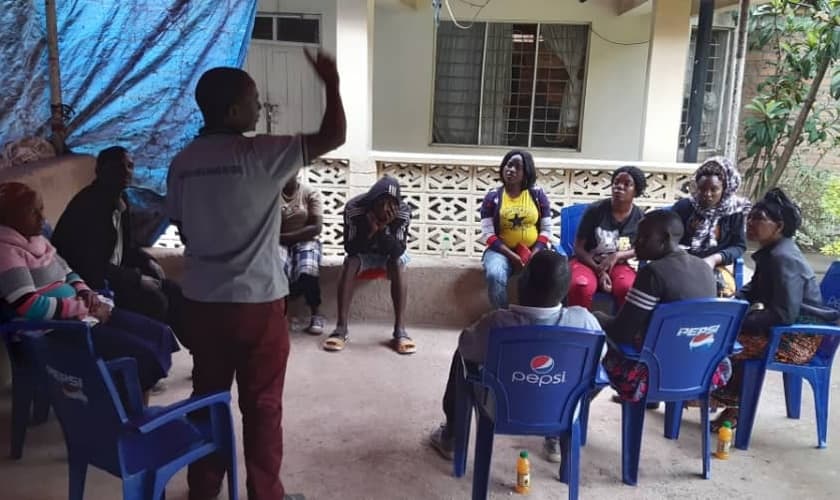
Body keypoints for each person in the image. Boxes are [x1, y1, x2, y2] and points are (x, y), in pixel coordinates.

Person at [166, 49, 345, 500]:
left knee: (207, 398)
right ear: (231, 112)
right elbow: (334, 134)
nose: (259, 109)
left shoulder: (182, 162)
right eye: (254, 101)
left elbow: (183, 226)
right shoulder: (264, 153)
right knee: (263, 405)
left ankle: (204, 489)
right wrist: (331, 83)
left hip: (202, 303)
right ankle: (266, 494)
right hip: (257, 303)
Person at [0, 182, 177, 395]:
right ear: (10, 218)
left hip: (80, 317)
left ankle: (129, 393)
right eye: (32, 212)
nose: (42, 218)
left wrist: (85, 292)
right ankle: (125, 408)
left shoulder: (38, 241)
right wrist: (82, 307)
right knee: (140, 352)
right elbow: (29, 306)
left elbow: (67, 271)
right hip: (52, 333)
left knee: (158, 334)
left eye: (41, 209)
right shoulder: (6, 253)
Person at [428, 251, 601, 464]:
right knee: (594, 373)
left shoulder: (497, 324)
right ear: (565, 291)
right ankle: (556, 434)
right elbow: (599, 361)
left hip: (501, 409)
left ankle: (452, 437)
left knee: (461, 358)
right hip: (560, 409)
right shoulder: (584, 322)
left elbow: (466, 346)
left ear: (521, 283)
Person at [710, 189, 839, 430]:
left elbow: (784, 315)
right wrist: (732, 303)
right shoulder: (771, 252)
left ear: (778, 226)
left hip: (798, 341)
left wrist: (742, 319)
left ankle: (733, 407)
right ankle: (722, 400)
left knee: (722, 342)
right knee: (720, 331)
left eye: (758, 218)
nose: (750, 223)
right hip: (785, 329)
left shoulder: (783, 258)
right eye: (750, 217)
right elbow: (753, 289)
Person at [51, 146, 186, 347]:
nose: (126, 172)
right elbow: (90, 265)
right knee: (154, 299)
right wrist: (138, 279)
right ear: (100, 170)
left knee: (173, 289)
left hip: (112, 274)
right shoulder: (89, 206)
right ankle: (139, 354)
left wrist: (149, 262)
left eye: (130, 166)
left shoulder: (119, 200)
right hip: (89, 283)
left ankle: (198, 351)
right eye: (118, 167)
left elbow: (127, 247)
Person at [599, 210, 727, 404]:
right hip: (702, 371)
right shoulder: (704, 267)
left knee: (591, 336)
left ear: (665, 239)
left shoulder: (653, 273)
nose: (637, 243)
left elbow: (622, 332)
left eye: (644, 237)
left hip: (652, 375)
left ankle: (571, 414)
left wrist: (595, 317)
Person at [323, 175, 414, 354]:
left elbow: (398, 250)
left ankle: (400, 331)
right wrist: (370, 232)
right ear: (372, 202)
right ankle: (341, 329)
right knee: (350, 263)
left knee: (397, 263)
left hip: (389, 253)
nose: (386, 209)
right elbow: (350, 248)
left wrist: (383, 231)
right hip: (363, 253)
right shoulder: (354, 209)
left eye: (391, 204)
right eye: (381, 203)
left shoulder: (403, 213)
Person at [479, 149, 554, 309]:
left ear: (526, 172)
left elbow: (546, 229)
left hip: (534, 251)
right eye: (508, 165)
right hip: (501, 252)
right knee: (495, 274)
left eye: (517, 167)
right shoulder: (492, 197)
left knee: (553, 273)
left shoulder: (537, 194)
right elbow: (488, 234)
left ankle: (538, 319)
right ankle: (503, 317)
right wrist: (512, 256)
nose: (510, 170)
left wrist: (534, 253)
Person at [567, 166, 646, 310]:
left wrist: (617, 255)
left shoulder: (639, 217)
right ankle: (579, 329)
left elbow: (641, 248)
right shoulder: (595, 211)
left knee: (628, 289)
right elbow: (578, 248)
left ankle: (621, 330)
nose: (619, 187)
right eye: (616, 182)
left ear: (636, 191)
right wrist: (600, 270)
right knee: (581, 286)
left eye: (627, 184)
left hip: (620, 265)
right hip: (587, 262)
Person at [673, 157, 750, 297]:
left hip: (717, 265)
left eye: (714, 189)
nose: (707, 194)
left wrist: (715, 259)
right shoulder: (684, 208)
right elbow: (669, 238)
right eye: (702, 189)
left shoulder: (735, 212)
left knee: (718, 292)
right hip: (683, 263)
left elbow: (739, 245)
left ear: (725, 188)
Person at [279, 174, 325, 334]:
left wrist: (286, 236)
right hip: (279, 242)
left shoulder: (310, 193)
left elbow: (316, 227)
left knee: (308, 268)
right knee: (277, 269)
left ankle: (316, 313)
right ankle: (281, 315)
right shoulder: (271, 195)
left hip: (305, 240)